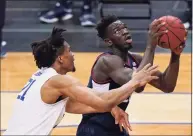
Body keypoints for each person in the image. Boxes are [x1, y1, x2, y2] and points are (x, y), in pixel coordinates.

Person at [3, 27, 159, 135]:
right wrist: (134, 81)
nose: (73, 54)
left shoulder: (41, 77)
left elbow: (75, 104)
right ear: (60, 59)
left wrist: (113, 109)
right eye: (70, 51)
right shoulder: (58, 81)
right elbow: (101, 100)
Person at [76, 15, 183, 136]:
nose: (125, 31)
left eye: (125, 27)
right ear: (108, 41)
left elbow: (167, 85)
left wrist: (175, 54)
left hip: (116, 126)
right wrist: (151, 45)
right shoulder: (106, 61)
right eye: (118, 30)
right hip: (94, 128)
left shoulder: (135, 59)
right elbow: (138, 85)